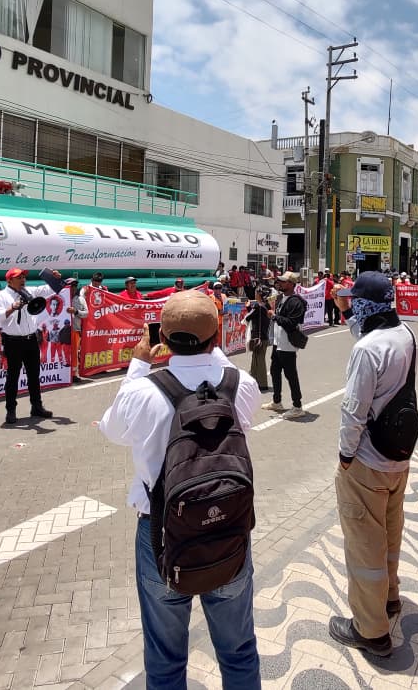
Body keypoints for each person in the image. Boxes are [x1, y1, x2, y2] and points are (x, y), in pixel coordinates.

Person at [99, 292, 261, 689]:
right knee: (238, 649)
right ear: (217, 334)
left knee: (165, 655)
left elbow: (111, 429)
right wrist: (214, 346)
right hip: (228, 530)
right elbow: (243, 403)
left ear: (162, 337)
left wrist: (138, 363)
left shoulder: (144, 390)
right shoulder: (243, 385)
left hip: (161, 535)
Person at [327, 272, 415, 658]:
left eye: (353, 300)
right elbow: (369, 340)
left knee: (365, 544)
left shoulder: (367, 350)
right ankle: (390, 599)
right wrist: (347, 314)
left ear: (366, 304)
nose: (350, 304)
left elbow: (354, 410)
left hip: (366, 460)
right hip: (399, 456)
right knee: (391, 531)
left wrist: (345, 455)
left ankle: (371, 629)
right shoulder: (404, 334)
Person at [0, 267, 56, 424]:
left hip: (31, 339)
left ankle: (37, 406)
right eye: (19, 277)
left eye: (23, 277)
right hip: (13, 341)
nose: (23, 279)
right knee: (13, 377)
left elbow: (52, 289)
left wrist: (54, 278)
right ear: (9, 280)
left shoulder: (30, 291)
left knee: (34, 375)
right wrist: (12, 307)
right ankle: (11, 410)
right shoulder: (2, 296)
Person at [263, 271, 307, 420]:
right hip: (278, 342)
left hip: (287, 344)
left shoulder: (296, 302)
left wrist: (274, 316)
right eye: (279, 281)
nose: (279, 283)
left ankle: (297, 406)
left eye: (283, 281)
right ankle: (277, 401)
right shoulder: (282, 298)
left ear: (291, 284)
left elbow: (291, 323)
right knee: (275, 371)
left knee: (290, 375)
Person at [242, 284, 273, 390]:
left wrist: (248, 307)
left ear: (260, 294)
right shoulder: (266, 305)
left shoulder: (258, 306)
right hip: (263, 336)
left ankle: (262, 384)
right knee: (256, 359)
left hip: (258, 337)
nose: (255, 294)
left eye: (256, 292)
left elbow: (249, 317)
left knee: (259, 360)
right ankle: (254, 381)